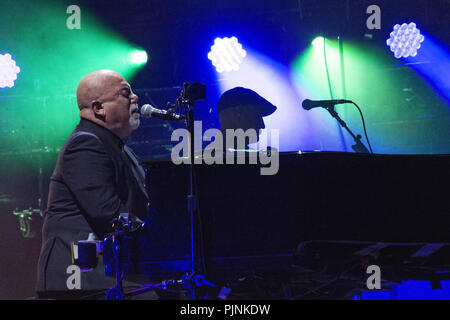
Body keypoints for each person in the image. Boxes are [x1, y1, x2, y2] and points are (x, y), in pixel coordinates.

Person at [35, 70, 156, 299]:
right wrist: (157, 236)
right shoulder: (85, 144)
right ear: (99, 108)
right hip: (82, 275)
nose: (135, 98)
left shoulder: (115, 145)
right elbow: (109, 213)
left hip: (107, 271)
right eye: (125, 93)